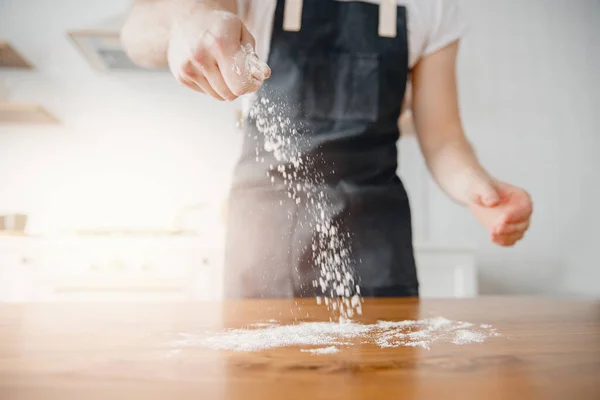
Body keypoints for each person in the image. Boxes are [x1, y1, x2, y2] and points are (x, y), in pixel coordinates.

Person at [121, 0, 533, 299]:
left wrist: (479, 189)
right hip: (263, 237)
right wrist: (188, 19)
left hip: (375, 238)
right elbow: (137, 30)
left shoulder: (433, 9)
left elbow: (444, 140)